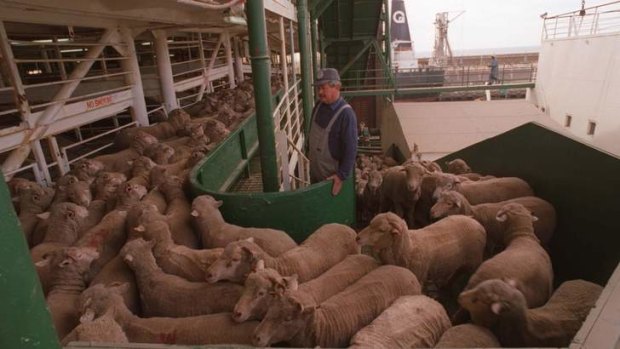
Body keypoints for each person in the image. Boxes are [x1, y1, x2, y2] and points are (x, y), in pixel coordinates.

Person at [308, 68, 358, 196]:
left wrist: (341, 176)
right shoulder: (318, 107)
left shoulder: (346, 114)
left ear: (336, 86)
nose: (319, 92)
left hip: (330, 181)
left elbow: (351, 150)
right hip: (314, 173)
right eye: (318, 88)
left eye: (323, 88)